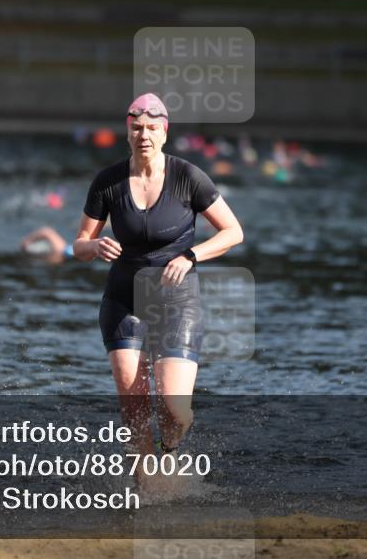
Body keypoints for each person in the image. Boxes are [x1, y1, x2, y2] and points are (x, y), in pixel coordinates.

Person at [72, 93, 244, 491]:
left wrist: (191, 255)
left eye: (151, 129)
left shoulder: (188, 177)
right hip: (123, 300)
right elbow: (79, 243)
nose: (143, 135)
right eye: (136, 128)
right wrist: (94, 246)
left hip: (177, 302)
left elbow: (233, 232)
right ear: (127, 133)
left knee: (175, 410)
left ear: (164, 132)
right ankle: (147, 493)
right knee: (134, 411)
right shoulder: (108, 181)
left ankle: (169, 466)